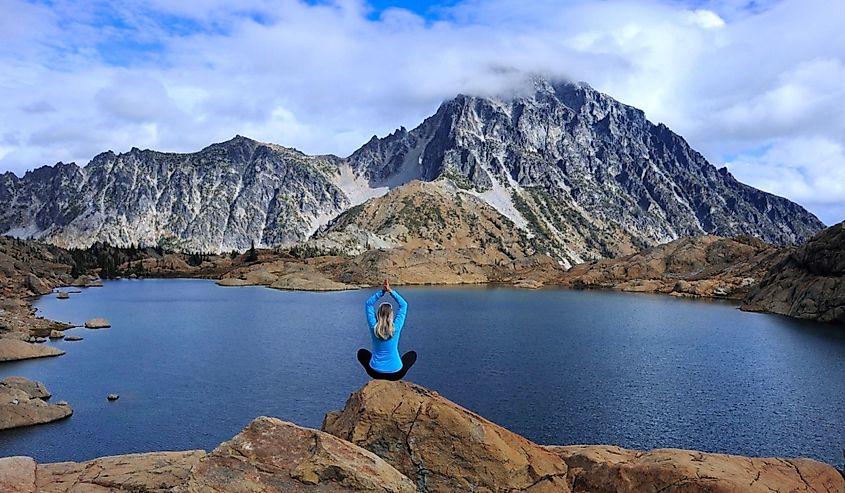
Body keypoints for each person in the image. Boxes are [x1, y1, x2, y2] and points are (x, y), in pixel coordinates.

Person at [357, 278, 416, 381]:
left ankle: (378, 370)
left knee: (361, 353)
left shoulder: (373, 327)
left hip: (375, 372)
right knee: (412, 355)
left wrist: (382, 292)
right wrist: (390, 291)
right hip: (395, 374)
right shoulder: (396, 327)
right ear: (391, 315)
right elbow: (403, 305)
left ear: (378, 314)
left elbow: (369, 304)